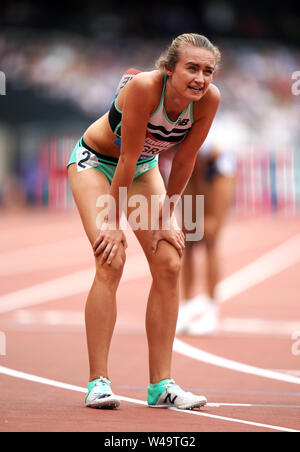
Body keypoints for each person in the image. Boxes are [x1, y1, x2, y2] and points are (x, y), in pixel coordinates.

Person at [67, 33, 221, 410]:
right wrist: (112, 224)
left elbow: (183, 162)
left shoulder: (209, 100)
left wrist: (168, 218)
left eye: (208, 70)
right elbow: (125, 159)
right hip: (96, 162)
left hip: (142, 169)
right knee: (111, 257)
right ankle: (98, 383)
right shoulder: (144, 88)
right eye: (192, 68)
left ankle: (161, 386)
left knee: (169, 260)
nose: (201, 78)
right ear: (168, 69)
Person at [176, 140, 236, 336]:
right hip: (191, 171)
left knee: (210, 236)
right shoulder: (159, 143)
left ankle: (211, 311)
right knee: (187, 240)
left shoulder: (202, 145)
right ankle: (185, 307)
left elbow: (201, 168)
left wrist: (206, 214)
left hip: (216, 170)